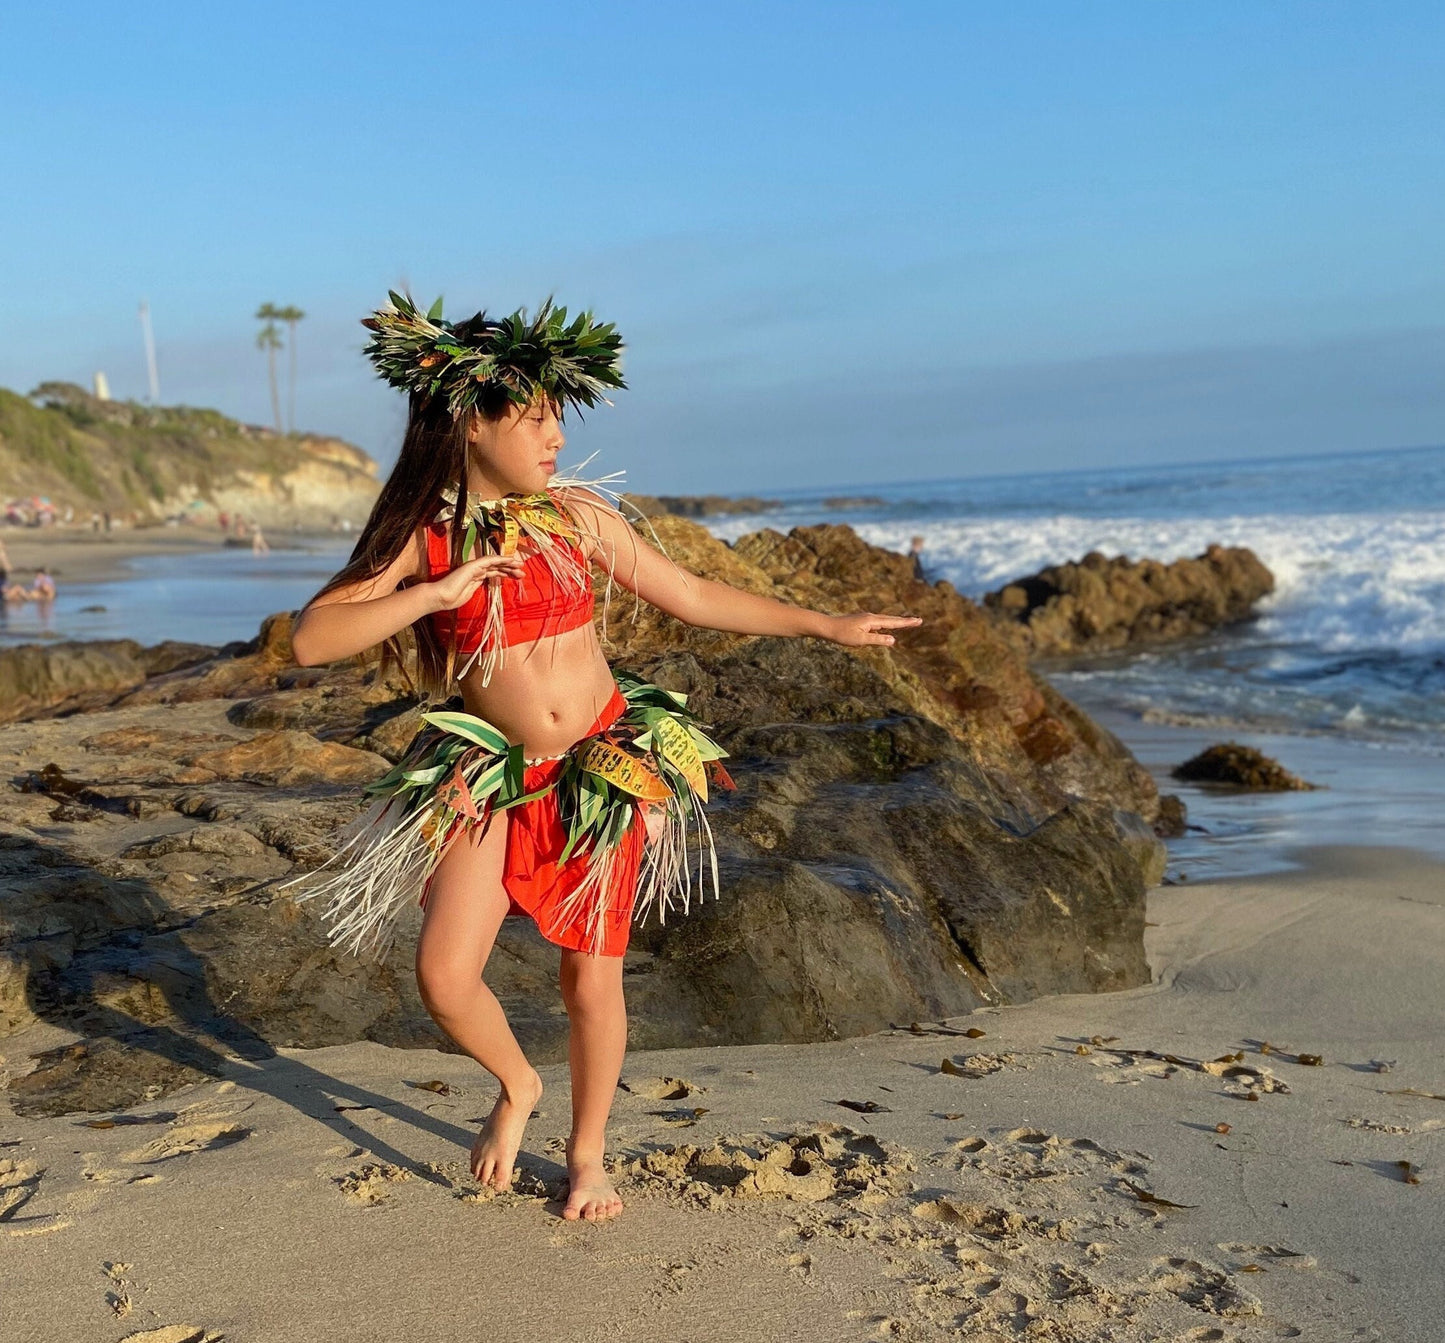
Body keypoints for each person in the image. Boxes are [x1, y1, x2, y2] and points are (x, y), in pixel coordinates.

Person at [285, 292, 921, 1223]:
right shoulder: (426, 535)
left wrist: (823, 623)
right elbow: (312, 638)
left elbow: (692, 594)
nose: (552, 438)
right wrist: (437, 594)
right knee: (445, 976)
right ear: (471, 418)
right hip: (491, 775)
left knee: (590, 977)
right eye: (534, 417)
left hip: (598, 770)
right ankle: (517, 1085)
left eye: (556, 419)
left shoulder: (577, 514)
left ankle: (587, 1157)